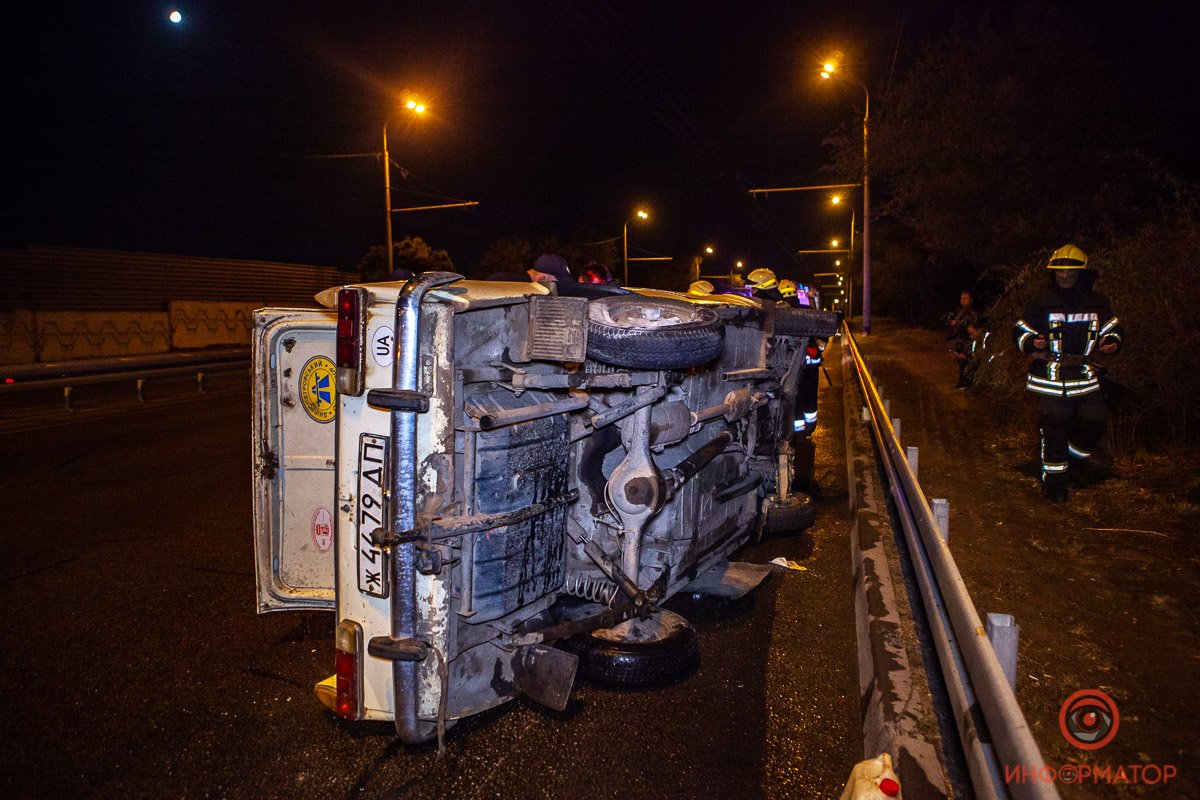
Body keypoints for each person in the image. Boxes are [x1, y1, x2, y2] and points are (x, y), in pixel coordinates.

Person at [1013, 244, 1123, 502]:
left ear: (1081, 273)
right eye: (1059, 272)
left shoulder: (1097, 302)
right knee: (1054, 428)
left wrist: (1114, 341)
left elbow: (1114, 328)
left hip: (1084, 377)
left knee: (1094, 421)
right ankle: (1055, 487)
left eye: (1070, 272)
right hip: (1049, 378)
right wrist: (1030, 342)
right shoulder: (1040, 301)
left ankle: (1072, 466)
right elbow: (1019, 330)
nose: (1064, 276)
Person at [947, 289, 980, 387]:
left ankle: (967, 382)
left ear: (971, 300)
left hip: (968, 340)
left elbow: (969, 323)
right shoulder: (961, 310)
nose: (963, 300)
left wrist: (957, 323)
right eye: (962, 298)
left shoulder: (972, 311)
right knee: (960, 361)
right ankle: (961, 382)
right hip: (960, 339)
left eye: (966, 298)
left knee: (966, 359)